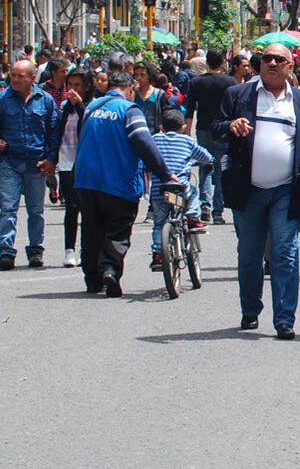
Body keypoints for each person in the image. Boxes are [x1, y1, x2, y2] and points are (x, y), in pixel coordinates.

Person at [215, 43, 300, 340]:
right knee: (249, 254)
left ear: (289, 67)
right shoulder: (238, 95)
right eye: (267, 58)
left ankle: (284, 318)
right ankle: (251, 309)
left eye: (279, 59)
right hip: (248, 189)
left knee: (285, 253)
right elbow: (215, 126)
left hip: (286, 190)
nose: (272, 63)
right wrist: (231, 125)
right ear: (259, 64)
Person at [72, 70, 178, 297]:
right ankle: (110, 269)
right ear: (130, 89)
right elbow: (143, 141)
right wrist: (165, 173)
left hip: (86, 179)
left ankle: (92, 279)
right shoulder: (129, 110)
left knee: (91, 229)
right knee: (117, 231)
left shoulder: (91, 107)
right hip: (119, 180)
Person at [0, 59, 58, 269]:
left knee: (35, 210)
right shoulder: (3, 99)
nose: (14, 79)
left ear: (33, 77)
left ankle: (35, 251)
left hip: (37, 163)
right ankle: (5, 251)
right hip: (10, 162)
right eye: (13, 75)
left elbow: (54, 132)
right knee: (8, 209)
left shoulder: (45, 100)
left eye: (20, 76)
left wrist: (51, 160)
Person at [148, 109, 212, 271]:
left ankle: (157, 254)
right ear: (183, 127)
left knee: (158, 224)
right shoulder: (186, 141)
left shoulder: (154, 139)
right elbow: (205, 156)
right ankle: (192, 217)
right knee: (193, 193)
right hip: (180, 187)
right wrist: (209, 160)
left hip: (158, 190)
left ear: (161, 127)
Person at [184, 49, 234, 224]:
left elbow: (190, 108)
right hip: (223, 129)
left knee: (205, 166)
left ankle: (204, 205)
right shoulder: (229, 81)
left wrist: (187, 132)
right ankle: (217, 212)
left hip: (203, 128)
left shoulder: (196, 82)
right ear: (222, 62)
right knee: (220, 169)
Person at [49, 68, 88, 267]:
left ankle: (85, 249)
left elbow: (89, 123)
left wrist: (79, 104)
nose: (73, 89)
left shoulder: (89, 106)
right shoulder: (66, 107)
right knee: (71, 208)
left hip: (85, 163)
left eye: (77, 85)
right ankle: (69, 250)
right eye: (70, 85)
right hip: (66, 162)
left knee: (87, 208)